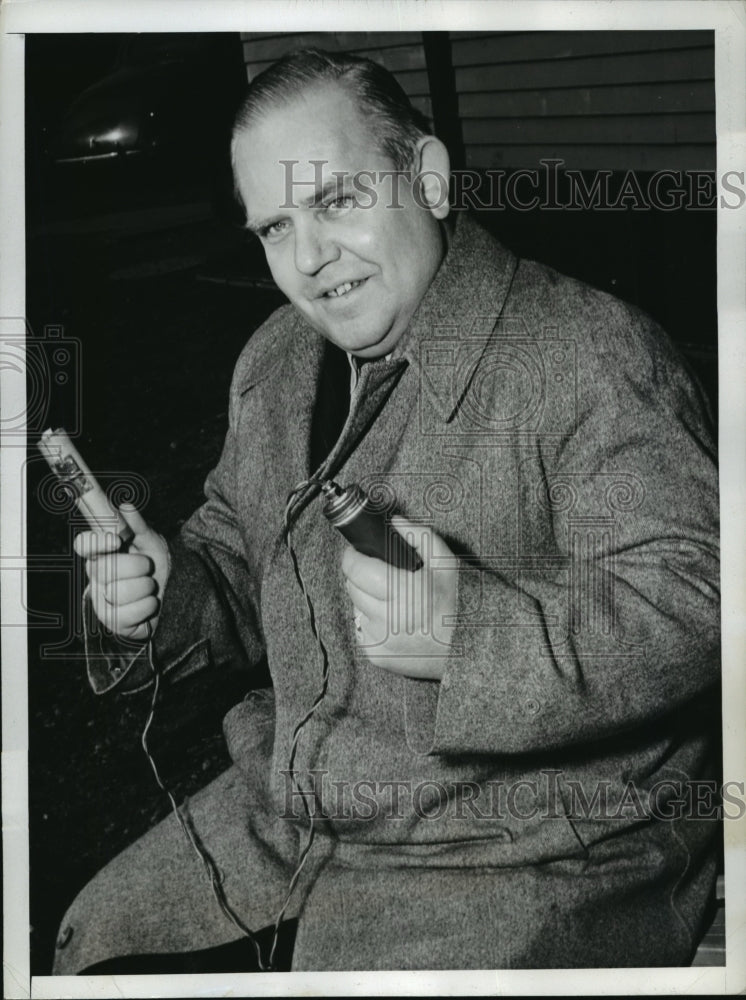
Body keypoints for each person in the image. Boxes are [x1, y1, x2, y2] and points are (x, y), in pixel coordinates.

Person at [54, 49, 720, 973]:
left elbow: (697, 601)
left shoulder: (591, 355)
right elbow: (237, 555)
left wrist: (465, 640)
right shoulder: (275, 362)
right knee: (92, 945)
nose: (310, 258)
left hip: (528, 850)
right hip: (295, 819)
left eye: (336, 201)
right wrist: (168, 593)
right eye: (275, 226)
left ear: (431, 180)